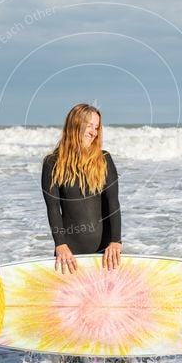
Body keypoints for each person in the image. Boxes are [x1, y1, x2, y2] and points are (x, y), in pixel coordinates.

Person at [41, 103, 122, 274]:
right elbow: (53, 208)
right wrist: (60, 245)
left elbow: (113, 203)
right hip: (70, 254)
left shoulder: (104, 159)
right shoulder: (52, 163)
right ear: (75, 125)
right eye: (89, 126)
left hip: (106, 253)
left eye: (97, 127)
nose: (94, 132)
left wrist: (116, 241)